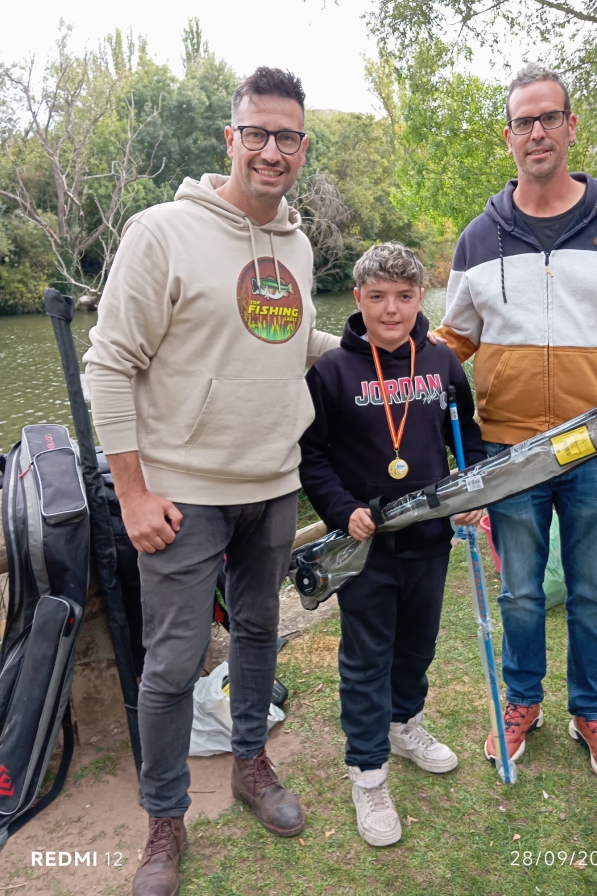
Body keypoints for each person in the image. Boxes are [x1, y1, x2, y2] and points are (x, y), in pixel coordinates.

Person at [84, 67, 341, 896]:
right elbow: (109, 364)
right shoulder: (161, 232)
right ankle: (164, 821)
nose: (273, 151)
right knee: (172, 664)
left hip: (272, 484)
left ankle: (250, 766)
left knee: (259, 636)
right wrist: (130, 491)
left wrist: (381, 341)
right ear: (230, 140)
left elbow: (288, 342)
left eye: (289, 136)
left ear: (304, 147)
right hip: (182, 495)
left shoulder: (297, 245)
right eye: (257, 134)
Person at [435, 63, 597, 789]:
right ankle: (523, 702)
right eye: (522, 121)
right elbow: (453, 343)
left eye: (548, 118)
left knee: (594, 594)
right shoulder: (479, 238)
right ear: (507, 137)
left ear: (570, 126)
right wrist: (393, 371)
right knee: (519, 594)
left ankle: (591, 714)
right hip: (511, 451)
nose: (535, 132)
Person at [298, 243, 486, 846]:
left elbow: (468, 437)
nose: (391, 310)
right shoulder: (330, 372)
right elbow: (312, 455)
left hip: (430, 540)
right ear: (358, 299)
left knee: (417, 647)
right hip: (366, 545)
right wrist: (342, 508)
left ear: (420, 299)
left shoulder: (442, 362)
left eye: (405, 297)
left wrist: (471, 490)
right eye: (377, 297)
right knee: (366, 658)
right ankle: (368, 770)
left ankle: (405, 725)